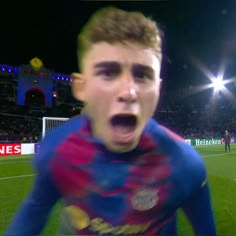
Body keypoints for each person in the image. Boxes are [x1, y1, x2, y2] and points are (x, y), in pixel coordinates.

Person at [5, 7, 216, 236]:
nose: (129, 92)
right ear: (81, 87)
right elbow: (34, 211)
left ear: (158, 88)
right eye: (108, 73)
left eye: (142, 75)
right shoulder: (57, 150)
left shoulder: (183, 163)